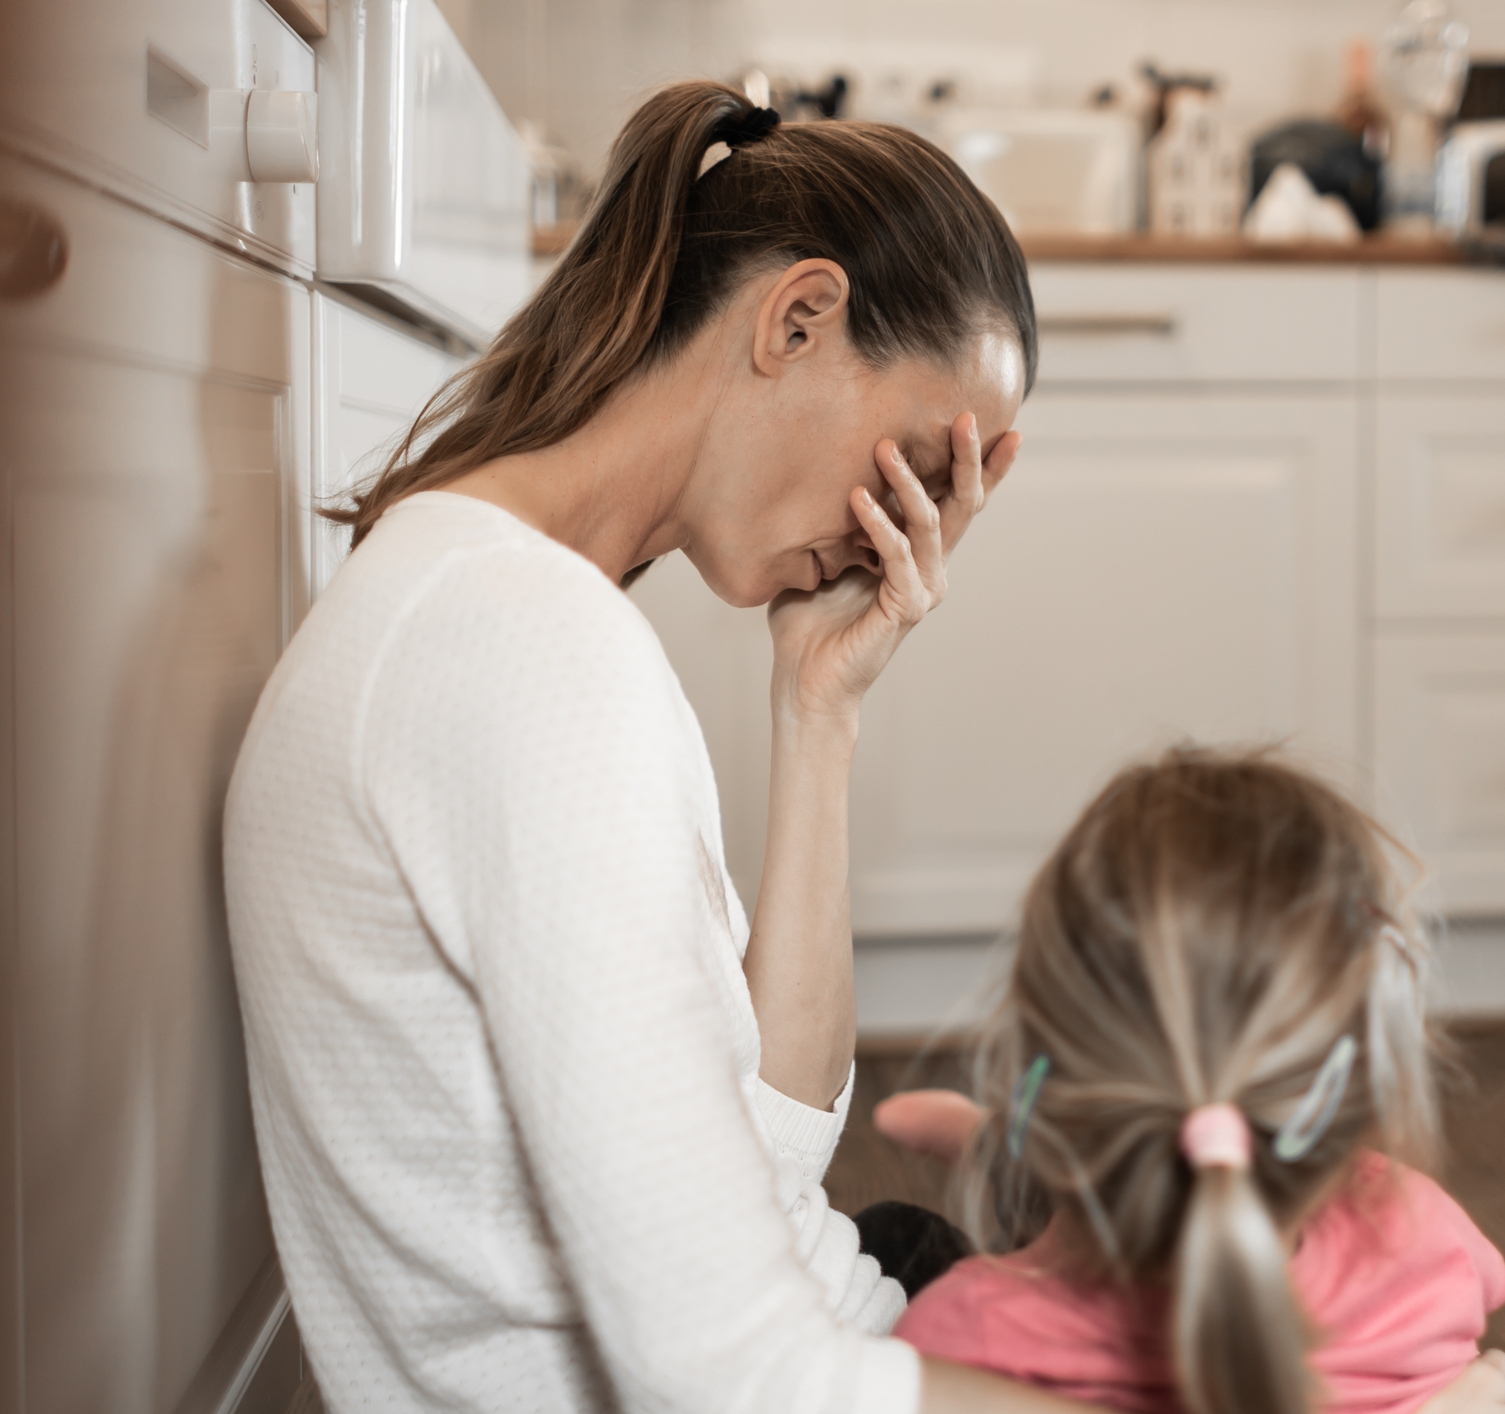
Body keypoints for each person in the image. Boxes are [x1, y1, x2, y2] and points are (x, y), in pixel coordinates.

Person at [222, 78, 1087, 1413]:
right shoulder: (526, 651)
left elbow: (771, 1147)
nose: (906, 530)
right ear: (797, 318)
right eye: (917, 461)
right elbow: (731, 1375)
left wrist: (819, 708)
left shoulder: (501, 602)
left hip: (825, 1301)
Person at [883, 748, 1505, 1414]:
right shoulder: (1417, 1234)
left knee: (893, 1237)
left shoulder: (956, 1339)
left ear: (1036, 1049)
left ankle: (1006, 1156)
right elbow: (1485, 1287)